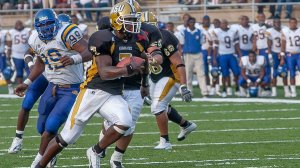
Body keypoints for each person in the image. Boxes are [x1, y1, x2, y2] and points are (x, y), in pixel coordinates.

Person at [35, 2, 147, 168]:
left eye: (134, 19)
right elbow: (104, 72)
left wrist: (148, 67)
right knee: (67, 137)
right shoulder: (102, 37)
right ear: (117, 20)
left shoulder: (137, 39)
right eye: (129, 19)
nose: (134, 23)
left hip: (113, 92)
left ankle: (95, 150)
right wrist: (130, 68)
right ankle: (39, 166)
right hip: (93, 90)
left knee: (125, 122)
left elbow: (147, 57)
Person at [14, 8, 92, 167]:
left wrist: (74, 59)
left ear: (56, 23)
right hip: (52, 85)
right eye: (42, 26)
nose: (46, 29)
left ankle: (38, 162)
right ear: (36, 27)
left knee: (50, 127)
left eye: (49, 24)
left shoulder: (65, 33)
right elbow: (41, 62)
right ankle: (51, 153)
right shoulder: (35, 39)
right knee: (41, 128)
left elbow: (90, 51)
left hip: (71, 88)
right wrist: (27, 82)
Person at [7, 14, 72, 154]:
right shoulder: (41, 37)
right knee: (27, 103)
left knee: (49, 122)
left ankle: (49, 150)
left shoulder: (72, 39)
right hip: (43, 75)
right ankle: (18, 139)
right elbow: (28, 53)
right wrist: (31, 66)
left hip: (61, 81)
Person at [142, 11, 196, 149]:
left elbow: (179, 62)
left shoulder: (164, 37)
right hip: (156, 76)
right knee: (162, 106)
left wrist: (184, 86)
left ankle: (165, 141)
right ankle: (186, 125)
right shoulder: (138, 38)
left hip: (172, 76)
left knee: (157, 107)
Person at [179, 17, 208, 96]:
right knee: (188, 73)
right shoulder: (183, 32)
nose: (192, 24)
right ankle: (189, 91)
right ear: (188, 23)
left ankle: (204, 92)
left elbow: (202, 41)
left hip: (198, 54)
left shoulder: (200, 32)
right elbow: (181, 43)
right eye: (190, 22)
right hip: (188, 54)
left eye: (193, 22)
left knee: (201, 73)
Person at [212, 19, 241, 97]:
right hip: (222, 55)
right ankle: (224, 89)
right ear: (220, 24)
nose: (224, 24)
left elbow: (236, 44)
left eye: (225, 23)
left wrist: (240, 55)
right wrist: (214, 58)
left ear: (227, 23)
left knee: (236, 73)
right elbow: (215, 46)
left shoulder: (233, 31)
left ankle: (237, 89)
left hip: (231, 54)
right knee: (225, 74)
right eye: (222, 23)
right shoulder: (217, 32)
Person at [266, 19, 290, 97]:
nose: (277, 24)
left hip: (283, 53)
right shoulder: (269, 31)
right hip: (274, 53)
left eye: (278, 22)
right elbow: (269, 43)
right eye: (275, 22)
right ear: (273, 23)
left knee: (284, 72)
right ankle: (274, 91)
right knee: (274, 73)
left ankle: (286, 91)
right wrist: (269, 54)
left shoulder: (285, 29)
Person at [6, 20, 31, 92]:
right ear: (15, 25)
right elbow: (9, 45)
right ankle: (20, 88)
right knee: (19, 72)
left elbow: (31, 43)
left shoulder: (27, 31)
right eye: (17, 24)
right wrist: (8, 55)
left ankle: (29, 88)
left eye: (20, 23)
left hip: (27, 55)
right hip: (16, 55)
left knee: (29, 71)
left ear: (23, 24)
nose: (19, 25)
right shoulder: (11, 32)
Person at [252, 13, 272, 96]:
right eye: (260, 17)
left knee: (266, 69)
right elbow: (254, 38)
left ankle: (267, 87)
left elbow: (269, 39)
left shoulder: (267, 26)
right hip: (258, 50)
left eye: (263, 17)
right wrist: (254, 49)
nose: (261, 18)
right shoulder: (254, 26)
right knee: (259, 69)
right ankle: (260, 87)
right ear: (257, 18)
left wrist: (269, 50)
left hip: (265, 49)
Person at [281, 18, 300, 98]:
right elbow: (283, 44)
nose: (293, 24)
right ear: (289, 23)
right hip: (289, 55)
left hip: (299, 54)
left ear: (297, 23)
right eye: (291, 22)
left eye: (294, 22)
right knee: (291, 74)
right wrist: (282, 57)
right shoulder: (285, 31)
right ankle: (293, 92)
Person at [199, 15, 214, 93]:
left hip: (213, 51)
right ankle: (207, 86)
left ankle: (215, 88)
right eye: (205, 19)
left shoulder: (213, 28)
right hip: (202, 51)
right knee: (205, 70)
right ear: (202, 20)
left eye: (208, 19)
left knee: (214, 70)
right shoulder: (198, 28)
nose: (206, 21)